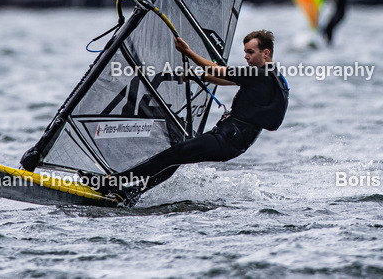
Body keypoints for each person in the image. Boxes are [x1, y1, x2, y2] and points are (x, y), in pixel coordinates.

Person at [98, 30, 288, 203]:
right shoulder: (269, 75)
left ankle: (113, 183)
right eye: (245, 52)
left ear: (266, 53)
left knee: (174, 154)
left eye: (251, 52)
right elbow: (224, 80)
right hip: (233, 140)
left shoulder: (259, 74)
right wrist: (198, 75)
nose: (246, 56)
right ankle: (133, 192)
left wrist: (187, 51)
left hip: (228, 139)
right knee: (177, 157)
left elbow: (218, 71)